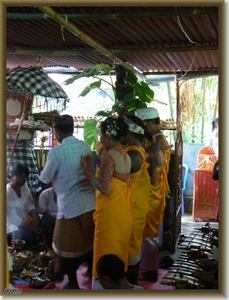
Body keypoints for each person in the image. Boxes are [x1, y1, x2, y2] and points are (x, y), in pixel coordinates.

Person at [38, 114, 95, 289]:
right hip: (90, 205)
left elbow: (44, 179)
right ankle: (92, 276)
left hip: (70, 208)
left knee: (65, 248)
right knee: (88, 243)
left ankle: (72, 283)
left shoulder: (56, 152)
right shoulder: (84, 147)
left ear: (56, 132)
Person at [81, 116, 133, 290]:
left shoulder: (108, 156)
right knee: (119, 247)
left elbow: (104, 188)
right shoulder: (126, 155)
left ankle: (102, 286)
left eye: (101, 136)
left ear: (108, 137)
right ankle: (119, 283)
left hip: (110, 213)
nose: (100, 140)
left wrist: (88, 174)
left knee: (105, 248)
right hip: (123, 209)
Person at [138, 127, 169, 282]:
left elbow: (153, 181)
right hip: (157, 200)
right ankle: (151, 268)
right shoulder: (158, 151)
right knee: (153, 235)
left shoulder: (151, 154)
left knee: (150, 236)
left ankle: (151, 272)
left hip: (152, 200)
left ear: (144, 141)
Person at [122, 115, 150, 285]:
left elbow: (117, 180)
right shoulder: (135, 150)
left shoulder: (132, 154)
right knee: (133, 246)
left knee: (131, 248)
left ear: (130, 132)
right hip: (136, 206)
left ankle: (131, 285)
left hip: (133, 208)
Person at [6, 164, 42, 248]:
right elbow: (12, 217)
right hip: (10, 221)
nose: (21, 181)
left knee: (39, 221)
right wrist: (31, 228)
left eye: (24, 179)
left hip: (24, 217)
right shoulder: (6, 192)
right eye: (18, 178)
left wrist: (34, 215)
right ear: (12, 176)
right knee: (22, 233)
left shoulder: (24, 186)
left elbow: (29, 203)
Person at [135, 107, 171, 173]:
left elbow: (159, 165)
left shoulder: (158, 139)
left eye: (144, 124)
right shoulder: (154, 136)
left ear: (152, 122)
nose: (142, 127)